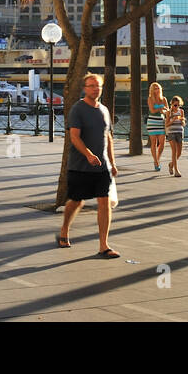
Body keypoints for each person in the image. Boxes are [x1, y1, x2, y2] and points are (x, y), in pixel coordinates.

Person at [59, 74, 119, 257]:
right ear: (85, 88)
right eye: (91, 85)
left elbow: (108, 137)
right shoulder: (78, 109)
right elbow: (74, 136)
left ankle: (104, 245)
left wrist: (112, 163)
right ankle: (64, 230)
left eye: (98, 85)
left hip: (102, 167)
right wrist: (88, 154)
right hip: (79, 166)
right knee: (77, 201)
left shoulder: (104, 110)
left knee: (104, 202)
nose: (95, 89)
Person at [145, 82, 168, 171]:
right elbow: (152, 110)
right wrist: (161, 109)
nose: (157, 90)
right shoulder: (150, 98)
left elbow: (167, 110)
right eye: (155, 88)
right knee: (153, 143)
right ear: (152, 90)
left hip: (161, 122)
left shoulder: (164, 99)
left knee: (162, 142)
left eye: (158, 88)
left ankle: (157, 159)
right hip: (152, 122)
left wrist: (163, 110)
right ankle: (155, 161)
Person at [166, 96, 186, 176]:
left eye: (178, 105)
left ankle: (171, 164)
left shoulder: (181, 111)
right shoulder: (169, 112)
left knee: (179, 153)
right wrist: (173, 120)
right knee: (174, 151)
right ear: (171, 104)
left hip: (179, 132)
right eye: (175, 105)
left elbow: (183, 124)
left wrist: (182, 121)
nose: (177, 107)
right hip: (171, 132)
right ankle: (176, 171)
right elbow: (166, 124)